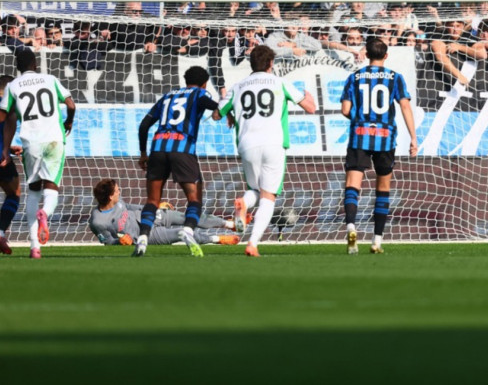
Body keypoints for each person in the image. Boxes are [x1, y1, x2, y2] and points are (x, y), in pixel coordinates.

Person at [213, 46, 317, 257]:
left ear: (251, 64)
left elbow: (216, 115)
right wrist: (309, 96)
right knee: (268, 197)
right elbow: (310, 108)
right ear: (271, 63)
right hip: (273, 143)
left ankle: (244, 202)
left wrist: (230, 113)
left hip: (247, 145)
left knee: (254, 189)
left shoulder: (238, 86)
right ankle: (252, 243)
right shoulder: (279, 82)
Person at [340, 38, 418, 254]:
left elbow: (345, 110)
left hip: (359, 136)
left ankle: (351, 227)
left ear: (366, 55)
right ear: (386, 55)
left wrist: (361, 120)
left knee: (352, 185)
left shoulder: (354, 77)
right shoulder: (395, 78)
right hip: (385, 137)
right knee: (383, 188)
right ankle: (377, 240)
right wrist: (413, 137)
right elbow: (405, 107)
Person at [0, 49, 77, 259]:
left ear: (18, 67)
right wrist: (69, 121)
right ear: (35, 64)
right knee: (51, 187)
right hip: (54, 139)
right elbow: (71, 105)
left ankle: (35, 247)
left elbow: (6, 117)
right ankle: (46, 213)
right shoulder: (50, 79)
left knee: (33, 191)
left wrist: (5, 148)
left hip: (30, 142)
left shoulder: (13, 86)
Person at [135, 66, 219, 257]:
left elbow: (144, 125)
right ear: (204, 83)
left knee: (153, 200)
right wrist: (222, 111)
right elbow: (212, 104)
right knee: (194, 198)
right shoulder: (200, 93)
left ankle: (143, 238)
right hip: (182, 149)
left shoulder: (167, 96)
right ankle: (188, 230)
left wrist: (143, 153)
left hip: (157, 148)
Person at [90, 179, 241, 246]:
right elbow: (108, 242)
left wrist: (153, 208)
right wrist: (119, 242)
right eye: (117, 191)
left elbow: (130, 207)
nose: (120, 192)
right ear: (110, 197)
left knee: (187, 217)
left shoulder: (118, 201)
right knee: (182, 233)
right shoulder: (98, 222)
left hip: (148, 217)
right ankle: (217, 239)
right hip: (146, 235)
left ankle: (229, 224)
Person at [0, 76, 22, 256]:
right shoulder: (9, 106)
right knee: (14, 193)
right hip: (1, 157)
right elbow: (11, 119)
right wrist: (6, 149)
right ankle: (0, 231)